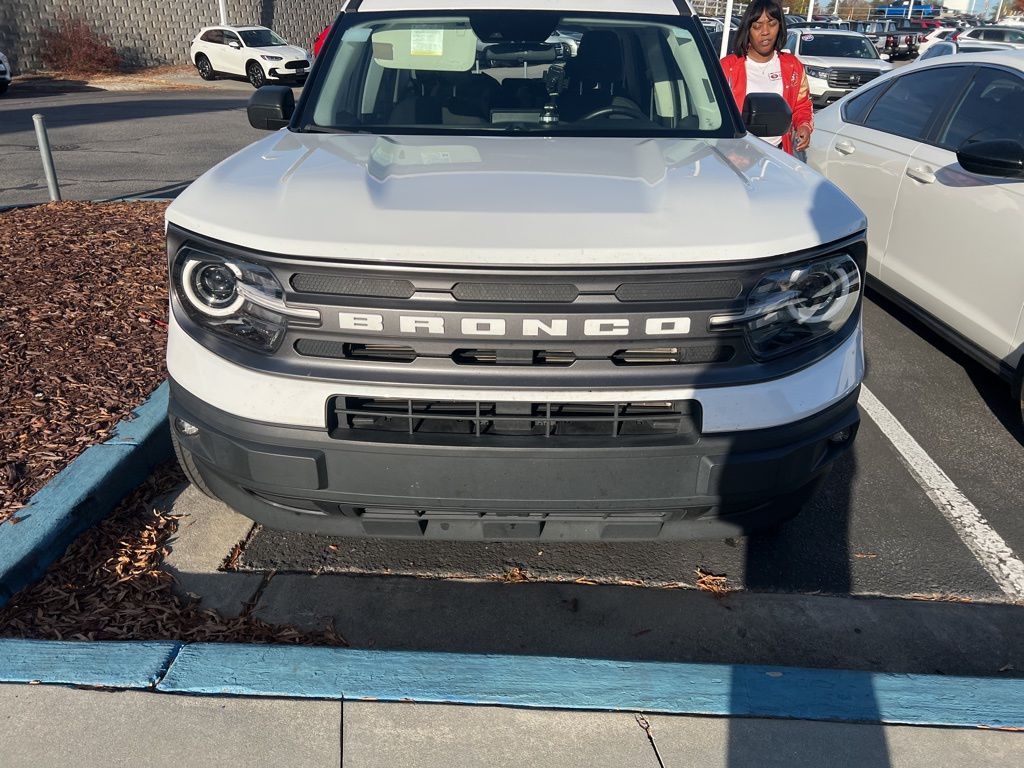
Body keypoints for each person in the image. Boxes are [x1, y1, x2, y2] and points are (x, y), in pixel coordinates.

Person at [719, 0, 813, 156]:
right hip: (736, 155)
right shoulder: (727, 67)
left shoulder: (793, 66)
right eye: (757, 26)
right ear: (747, 29)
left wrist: (803, 126)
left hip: (778, 156)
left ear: (780, 26)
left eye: (772, 24)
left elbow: (802, 105)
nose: (765, 32)